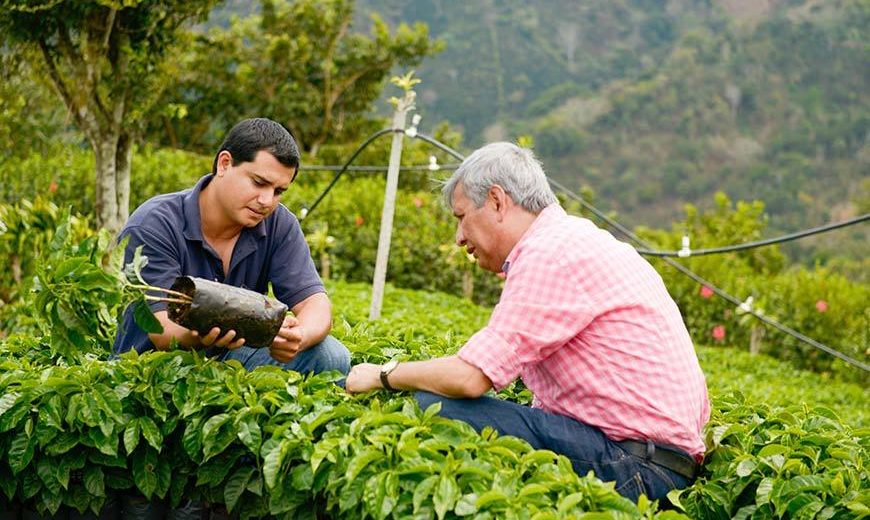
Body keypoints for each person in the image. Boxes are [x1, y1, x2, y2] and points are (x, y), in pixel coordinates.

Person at [345, 142, 710, 501]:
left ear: (497, 201)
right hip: (660, 461)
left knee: (437, 407)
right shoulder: (579, 239)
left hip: (638, 468)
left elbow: (470, 377)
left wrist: (383, 374)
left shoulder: (548, 253)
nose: (458, 238)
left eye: (461, 218)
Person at [113, 118, 350, 376]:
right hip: (154, 371)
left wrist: (298, 336)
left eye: (279, 190)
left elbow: (315, 304)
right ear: (224, 163)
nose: (267, 201)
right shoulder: (153, 225)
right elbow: (162, 331)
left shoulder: (278, 223)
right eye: (259, 183)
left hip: (231, 359)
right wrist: (219, 328)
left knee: (332, 357)